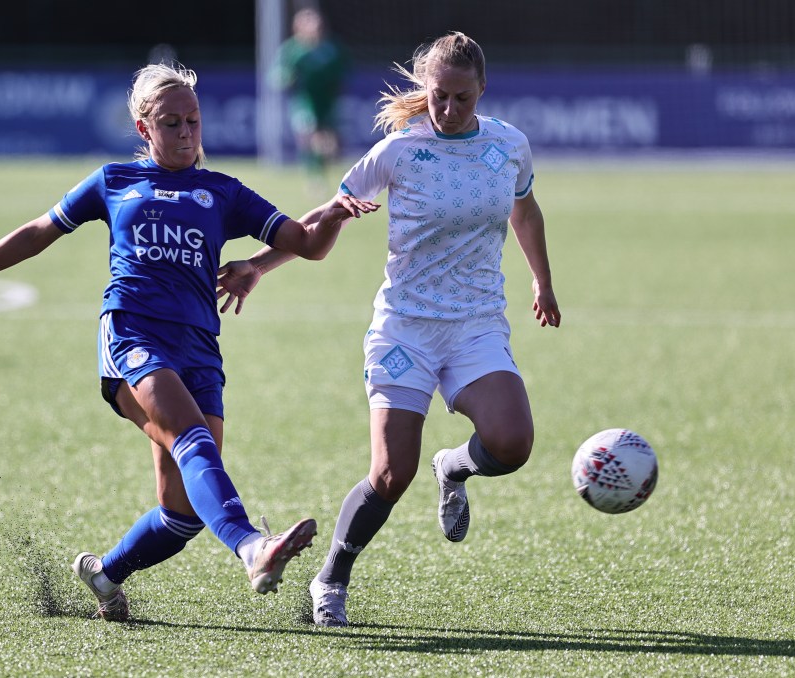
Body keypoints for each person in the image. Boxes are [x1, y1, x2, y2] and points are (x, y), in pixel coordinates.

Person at [0, 62, 378, 622]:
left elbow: (306, 243)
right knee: (194, 441)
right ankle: (254, 547)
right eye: (171, 123)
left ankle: (105, 575)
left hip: (200, 348)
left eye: (194, 121)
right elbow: (37, 233)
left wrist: (336, 214)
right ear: (143, 127)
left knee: (180, 513)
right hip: (132, 332)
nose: (186, 133)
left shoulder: (222, 191)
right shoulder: (114, 182)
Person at [217, 32, 561, 627]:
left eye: (461, 98)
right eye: (438, 96)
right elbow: (322, 218)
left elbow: (524, 209)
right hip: (405, 329)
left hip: (476, 325)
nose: (448, 109)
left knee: (513, 444)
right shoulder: (400, 151)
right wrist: (257, 266)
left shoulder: (509, 146)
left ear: (482, 89)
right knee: (390, 474)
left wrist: (542, 281)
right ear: (425, 91)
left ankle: (454, 467)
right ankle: (333, 576)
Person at [270, 7, 349, 191]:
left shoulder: (332, 48)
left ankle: (323, 169)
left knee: (330, 145)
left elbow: (344, 69)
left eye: (318, 25)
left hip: (327, 102)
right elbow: (277, 75)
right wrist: (284, 77)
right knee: (311, 135)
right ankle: (315, 179)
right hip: (304, 101)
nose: (316, 29)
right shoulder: (292, 50)